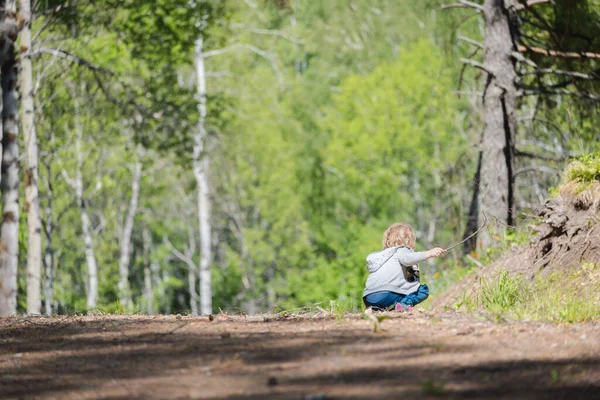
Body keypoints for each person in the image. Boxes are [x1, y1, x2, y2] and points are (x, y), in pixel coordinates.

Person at [363, 223, 445, 311]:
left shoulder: (382, 256)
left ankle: (380, 309)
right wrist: (429, 254)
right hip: (387, 295)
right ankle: (403, 305)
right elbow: (412, 280)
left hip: (369, 297)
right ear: (409, 239)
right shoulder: (403, 250)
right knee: (422, 291)